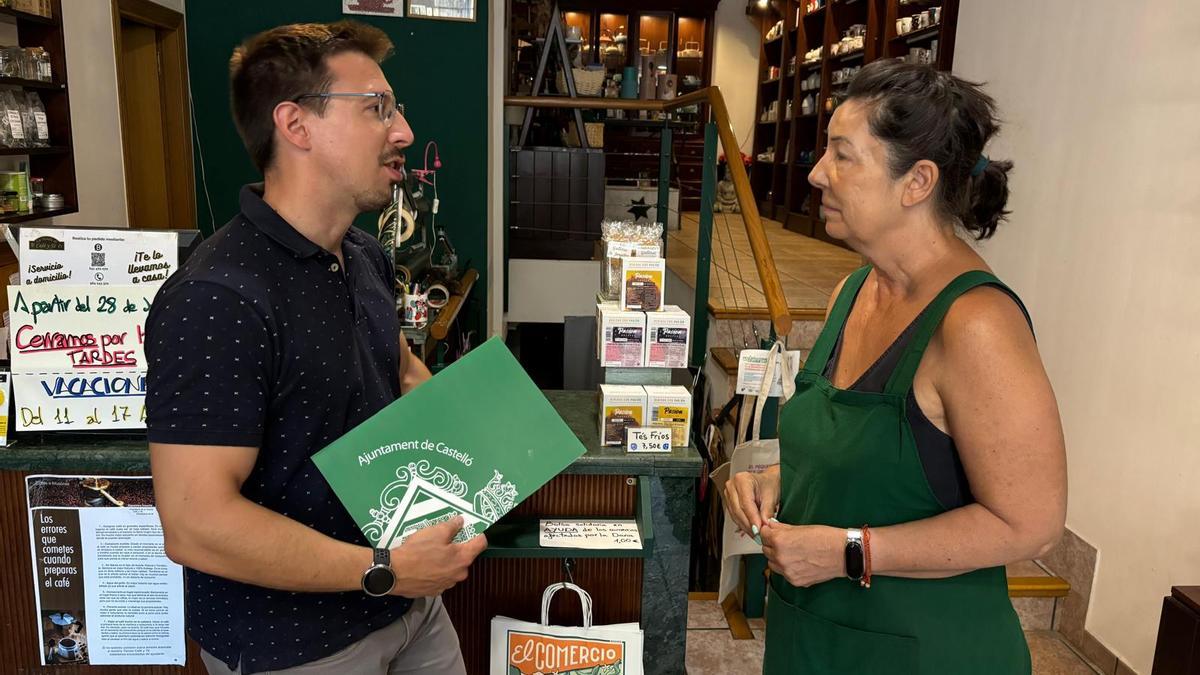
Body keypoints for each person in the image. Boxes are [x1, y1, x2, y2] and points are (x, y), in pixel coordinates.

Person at [145, 21, 486, 675]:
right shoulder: (217, 296)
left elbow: (401, 369)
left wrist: (492, 445)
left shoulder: (360, 253)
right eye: (378, 108)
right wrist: (387, 569)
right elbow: (194, 523)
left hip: (408, 609)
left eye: (398, 108)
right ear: (296, 125)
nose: (404, 132)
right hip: (294, 645)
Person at [724, 60, 1067, 674]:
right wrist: (784, 477)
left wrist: (849, 552)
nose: (817, 173)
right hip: (816, 638)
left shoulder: (975, 324)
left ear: (917, 182)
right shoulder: (851, 293)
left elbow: (1031, 526)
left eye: (842, 156)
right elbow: (879, 458)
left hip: (924, 652)